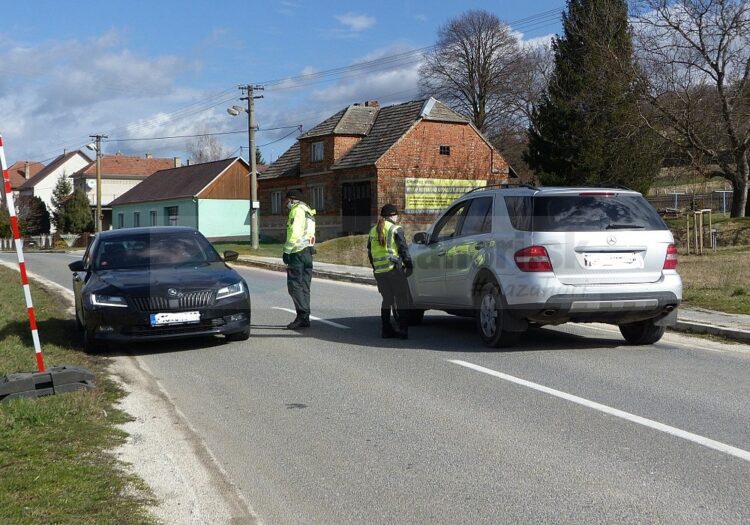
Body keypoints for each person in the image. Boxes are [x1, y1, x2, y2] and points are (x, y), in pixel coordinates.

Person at [367, 204, 413, 339]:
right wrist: (409, 266)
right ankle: (403, 330)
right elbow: (403, 250)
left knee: (386, 301)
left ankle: (386, 330)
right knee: (402, 299)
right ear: (393, 215)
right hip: (393, 270)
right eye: (397, 215)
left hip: (380, 271)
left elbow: (370, 253)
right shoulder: (395, 229)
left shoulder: (372, 230)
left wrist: (375, 267)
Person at [283, 189, 316, 329]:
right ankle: (305, 317)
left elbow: (295, 232)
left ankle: (302, 315)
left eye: (286, 200)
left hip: (297, 253)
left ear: (292, 199)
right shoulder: (308, 210)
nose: (285, 203)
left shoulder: (296, 211)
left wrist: (286, 251)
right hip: (308, 252)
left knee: (294, 286)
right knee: (304, 286)